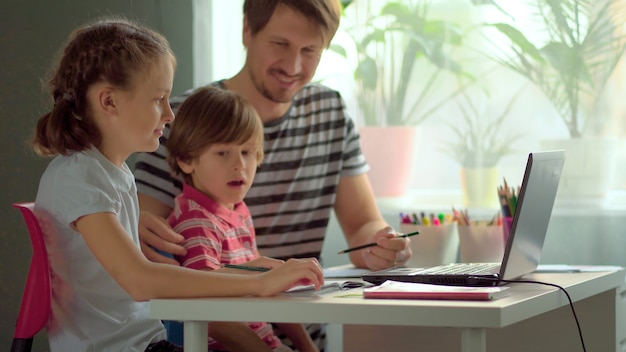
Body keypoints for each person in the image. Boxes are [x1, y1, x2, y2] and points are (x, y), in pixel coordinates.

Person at [32, 17, 323, 352]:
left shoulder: (111, 172)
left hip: (146, 341)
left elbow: (154, 275)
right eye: (159, 99)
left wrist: (252, 273)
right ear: (109, 101)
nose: (170, 114)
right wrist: (258, 283)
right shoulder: (78, 178)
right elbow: (142, 280)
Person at [134, 0, 413, 348]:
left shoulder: (331, 113)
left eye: (310, 50)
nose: (294, 65)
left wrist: (381, 245)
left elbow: (362, 228)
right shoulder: (180, 119)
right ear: (247, 31)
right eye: (280, 45)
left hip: (302, 335)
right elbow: (165, 267)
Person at [166, 86, 318, 352]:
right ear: (187, 160)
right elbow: (206, 304)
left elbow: (271, 289)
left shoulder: (238, 210)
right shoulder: (196, 220)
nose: (239, 165)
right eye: (223, 153)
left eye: (247, 152)